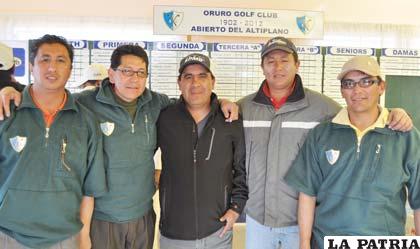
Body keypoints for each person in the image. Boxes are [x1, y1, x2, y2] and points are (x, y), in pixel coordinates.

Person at [0, 43, 239, 249]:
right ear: (111, 74)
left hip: (143, 215)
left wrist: (223, 102)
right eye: (126, 71)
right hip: (102, 218)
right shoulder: (86, 103)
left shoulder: (157, 104)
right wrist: (13, 90)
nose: (133, 79)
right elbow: (50, 94)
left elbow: (193, 100)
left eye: (140, 73)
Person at [237, 36, 413, 249]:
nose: (278, 67)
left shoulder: (324, 108)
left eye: (284, 60)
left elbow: (360, 112)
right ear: (262, 67)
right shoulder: (242, 108)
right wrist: (221, 101)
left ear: (297, 64)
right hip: (258, 222)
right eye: (271, 61)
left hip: (301, 224)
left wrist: (394, 113)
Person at [285, 55, 420, 249]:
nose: (357, 90)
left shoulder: (406, 136)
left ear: (381, 87)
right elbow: (307, 193)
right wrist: (304, 244)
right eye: (349, 83)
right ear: (342, 90)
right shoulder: (321, 135)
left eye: (366, 82)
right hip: (326, 242)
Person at [0, 34, 106, 249]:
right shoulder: (5, 112)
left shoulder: (86, 121)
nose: (52, 68)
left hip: (65, 238)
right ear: (31, 66)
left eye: (60, 60)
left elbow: (89, 189)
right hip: (8, 235)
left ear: (70, 68)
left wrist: (84, 237)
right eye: (44, 59)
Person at [157, 53, 248, 249]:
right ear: (179, 83)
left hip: (217, 231)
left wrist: (236, 208)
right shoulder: (165, 118)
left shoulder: (230, 120)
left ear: (213, 81)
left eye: (202, 76)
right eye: (188, 77)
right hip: (173, 234)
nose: (195, 83)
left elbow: (241, 168)